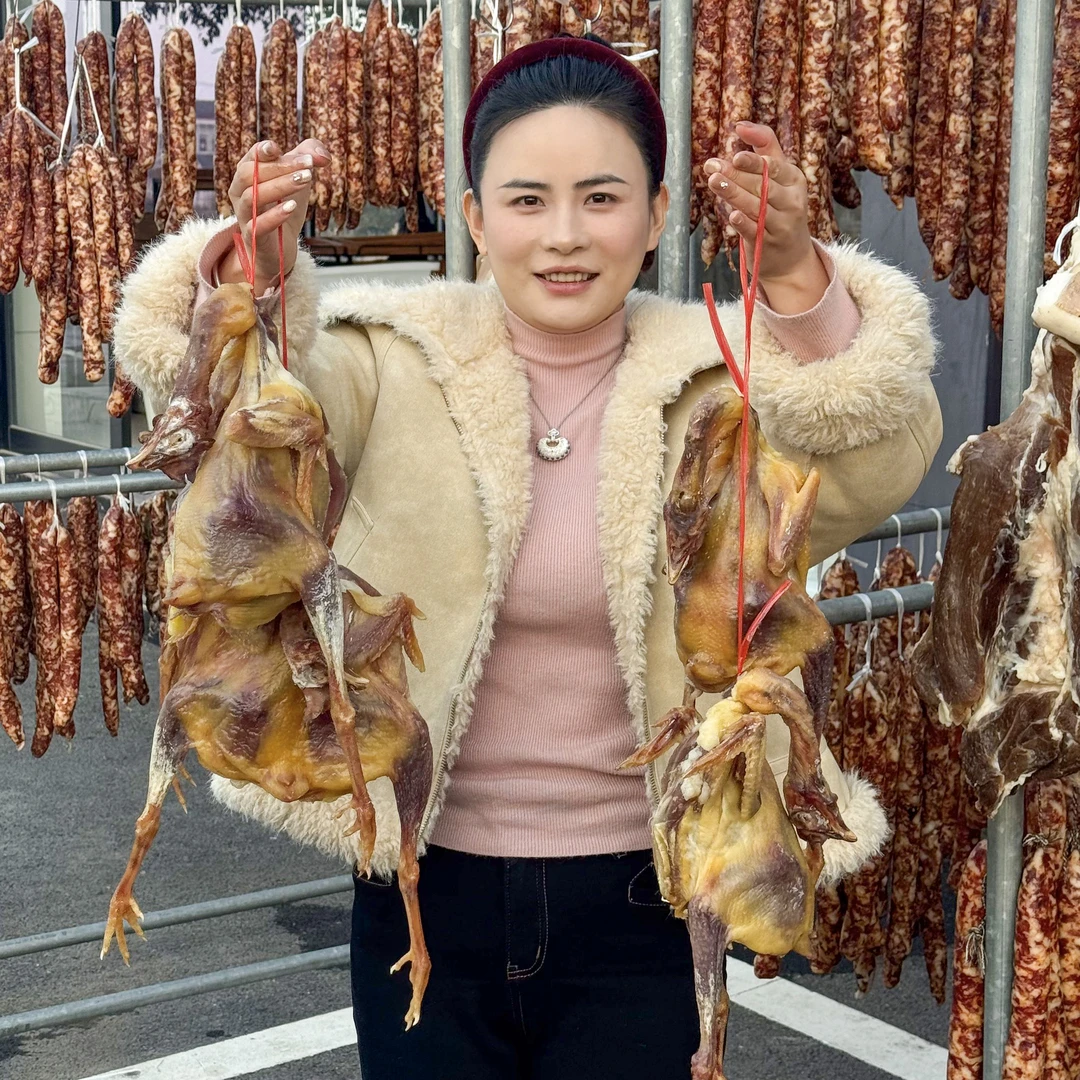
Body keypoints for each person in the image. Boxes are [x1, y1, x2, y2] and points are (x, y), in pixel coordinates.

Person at [114, 34, 941, 1080]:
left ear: (658, 214)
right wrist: (246, 287)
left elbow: (879, 460)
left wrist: (792, 278)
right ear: (472, 215)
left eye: (601, 199)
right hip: (424, 890)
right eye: (525, 200)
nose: (563, 236)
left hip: (649, 897)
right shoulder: (391, 354)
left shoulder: (719, 377)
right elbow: (237, 419)